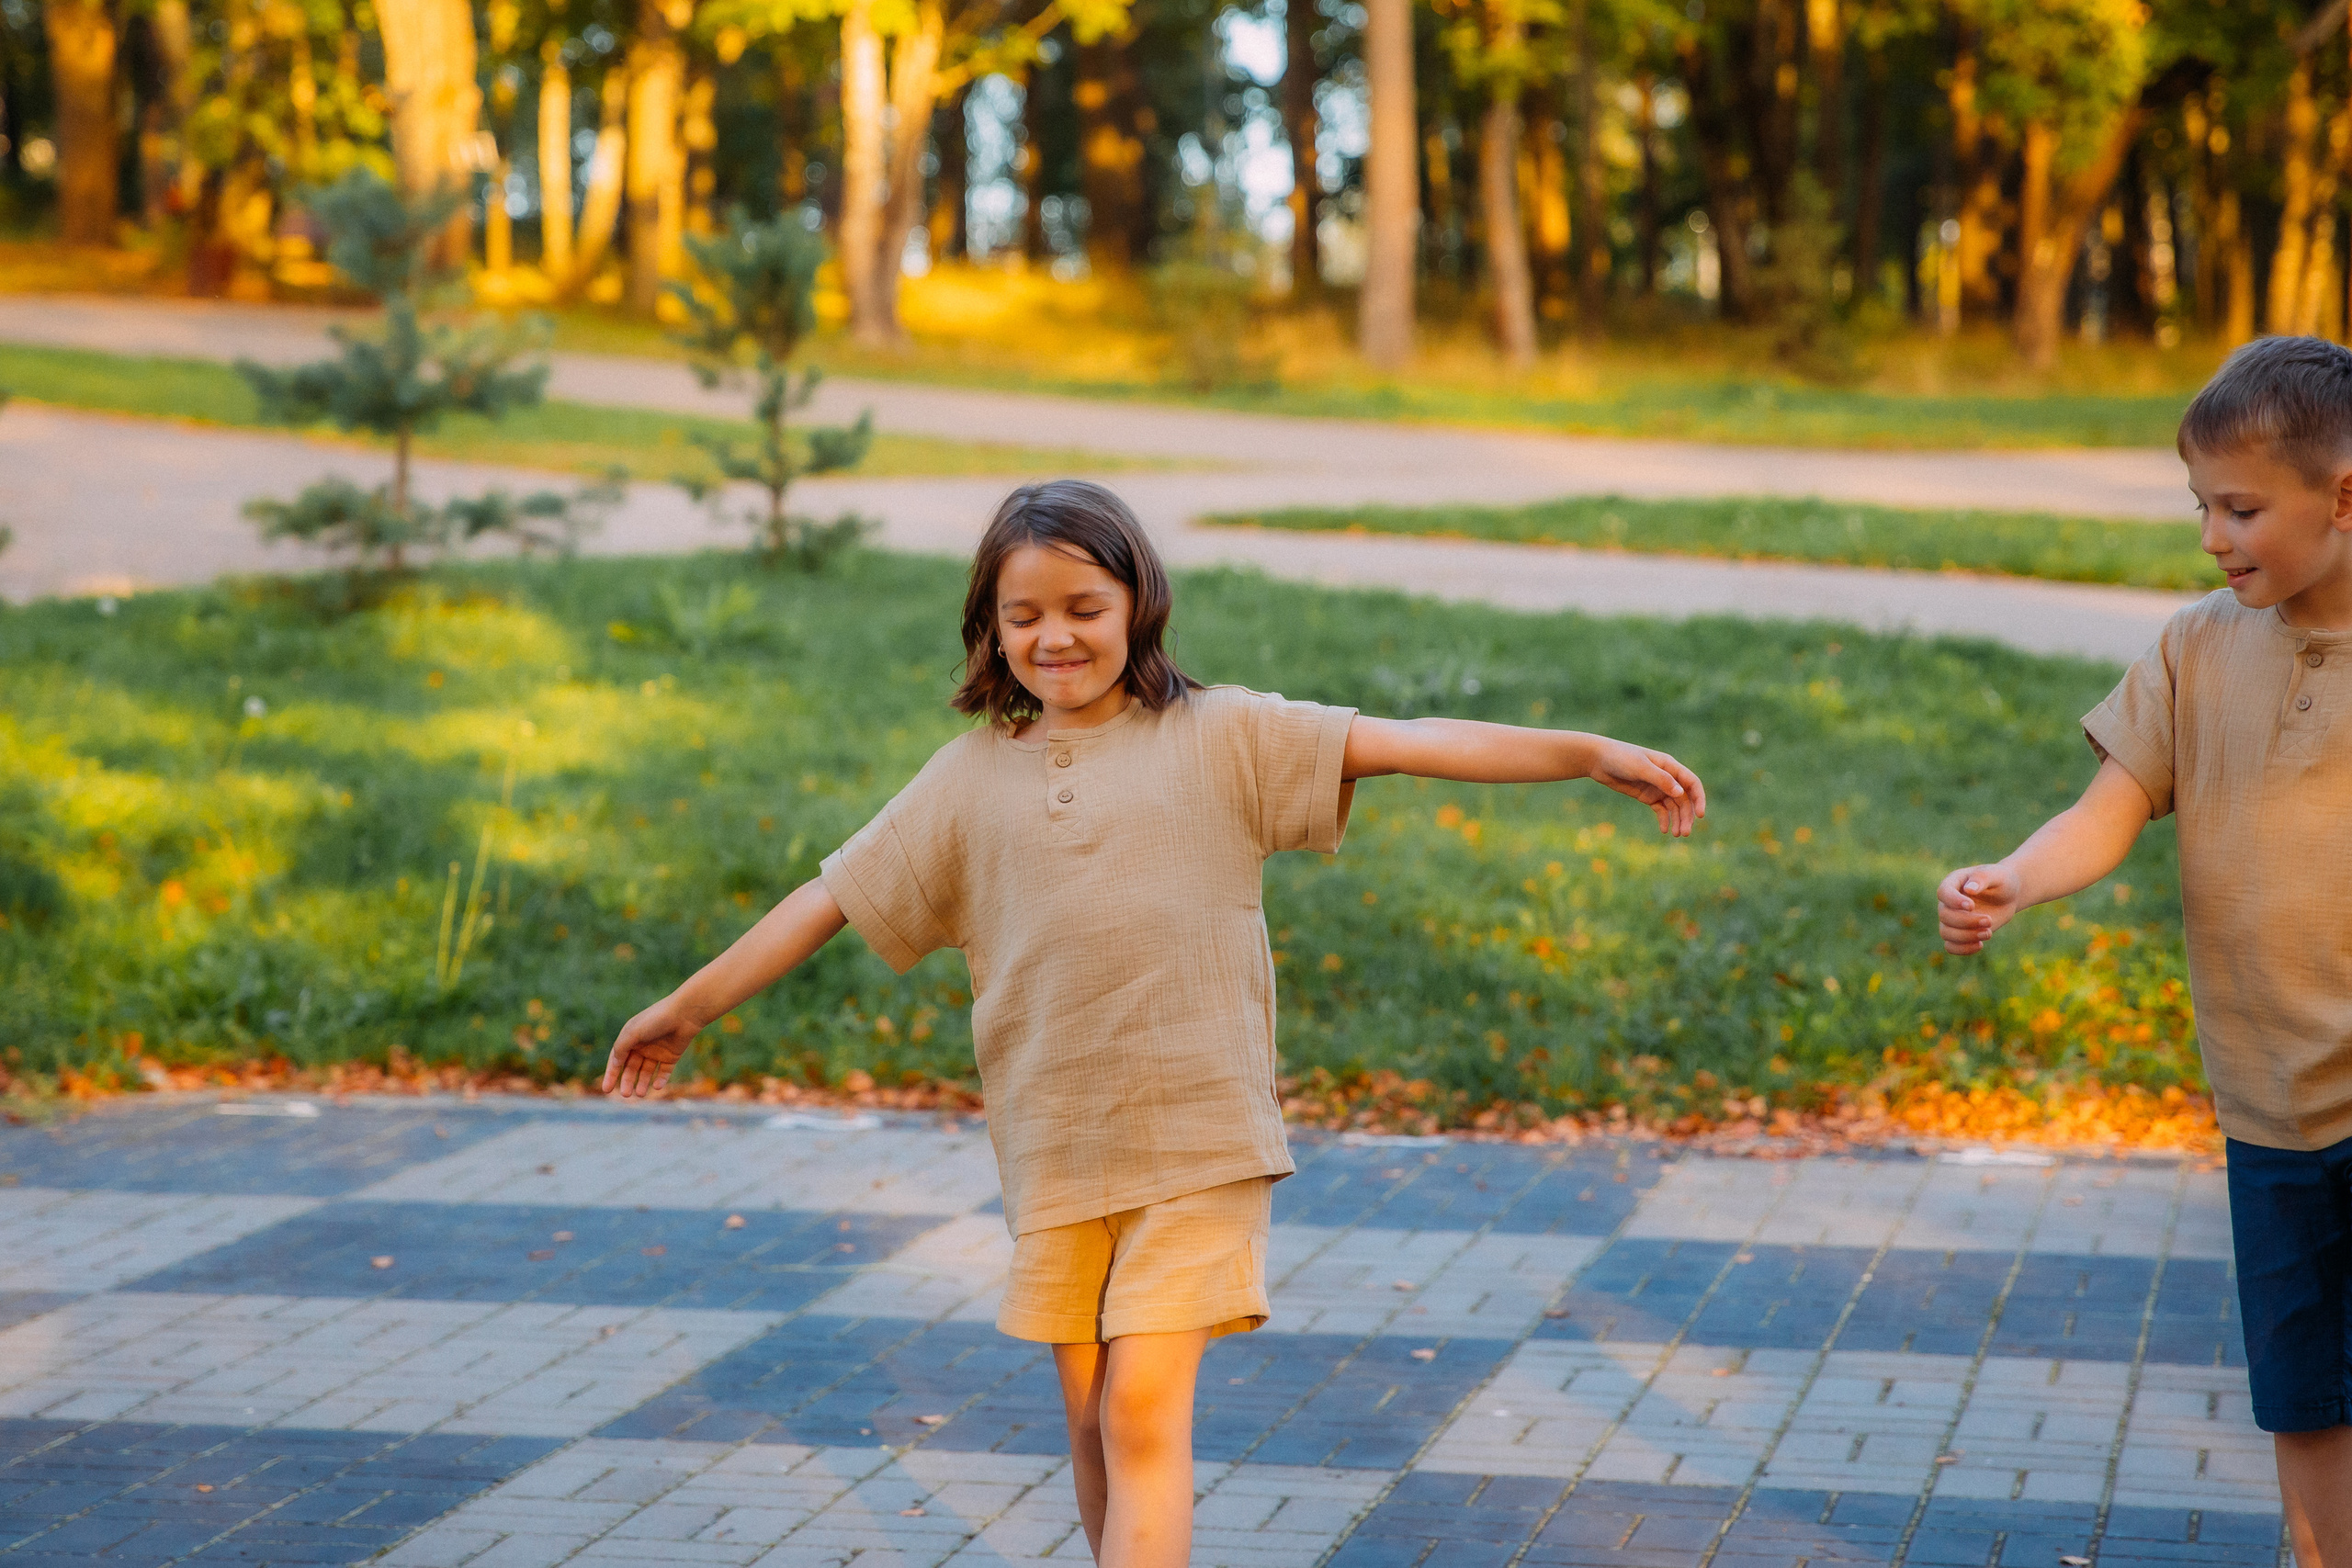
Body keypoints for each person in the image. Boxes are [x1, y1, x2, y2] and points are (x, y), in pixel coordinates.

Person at [602, 479, 1705, 1568]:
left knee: (1138, 1410)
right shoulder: (966, 780)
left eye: (1084, 608)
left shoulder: (1223, 735)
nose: (1055, 636)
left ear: (1138, 603)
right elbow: (825, 898)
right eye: (1023, 614)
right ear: (988, 627)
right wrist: (685, 1010)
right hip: (1055, 1149)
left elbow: (1407, 738)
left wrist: (1579, 749)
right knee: (1089, 1424)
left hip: (1196, 1138)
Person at [1936, 337, 2352, 1565]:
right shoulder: (2196, 647)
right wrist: (2013, 875)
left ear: (2344, 496)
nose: (2214, 537)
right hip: (2269, 1100)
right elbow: (2104, 811)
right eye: (2201, 507)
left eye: (2241, 507)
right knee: (2305, 1383)